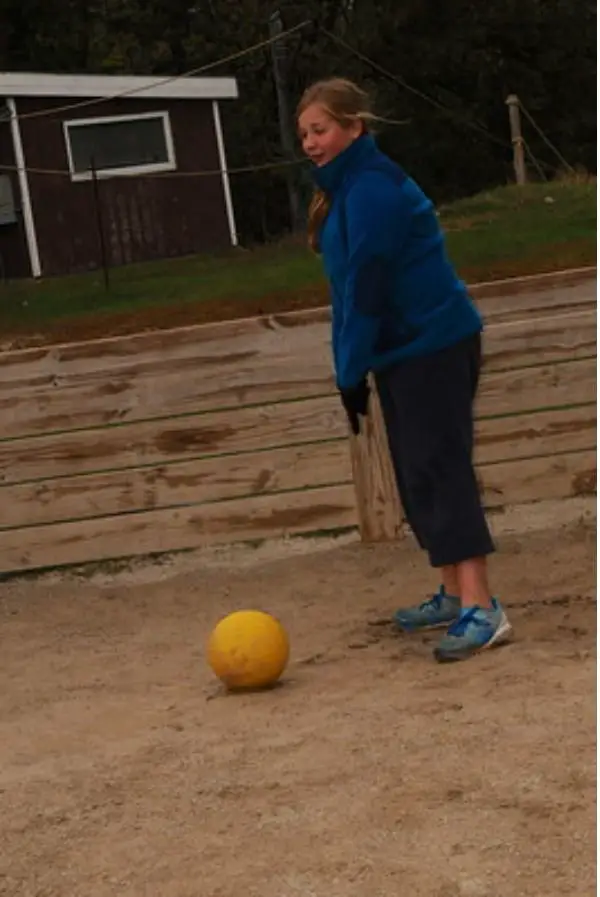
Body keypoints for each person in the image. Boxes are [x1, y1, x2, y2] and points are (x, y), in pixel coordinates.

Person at [296, 77, 513, 663]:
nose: (311, 144)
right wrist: (351, 368)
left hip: (434, 344)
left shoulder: (372, 191)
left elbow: (367, 288)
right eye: (305, 135)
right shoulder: (345, 193)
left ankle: (483, 607)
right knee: (417, 472)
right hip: (403, 350)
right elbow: (348, 295)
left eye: (320, 130)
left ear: (353, 127)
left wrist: (350, 370)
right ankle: (451, 593)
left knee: (442, 469)